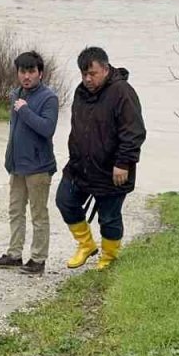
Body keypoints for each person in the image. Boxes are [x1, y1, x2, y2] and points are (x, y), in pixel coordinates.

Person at [56, 47, 145, 271]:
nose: (87, 79)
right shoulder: (81, 92)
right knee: (65, 200)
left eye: (92, 73)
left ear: (105, 69)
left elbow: (134, 132)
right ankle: (86, 245)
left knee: (109, 218)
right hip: (80, 166)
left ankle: (109, 257)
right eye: (83, 74)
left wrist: (123, 163)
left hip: (113, 169)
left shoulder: (122, 92)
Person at [0, 51, 58, 275]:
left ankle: (38, 259)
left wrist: (25, 110)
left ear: (40, 73)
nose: (26, 76)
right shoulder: (15, 94)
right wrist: (9, 158)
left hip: (39, 167)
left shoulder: (49, 98)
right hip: (17, 165)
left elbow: (47, 129)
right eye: (22, 71)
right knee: (15, 211)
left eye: (31, 71)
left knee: (38, 214)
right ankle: (14, 254)